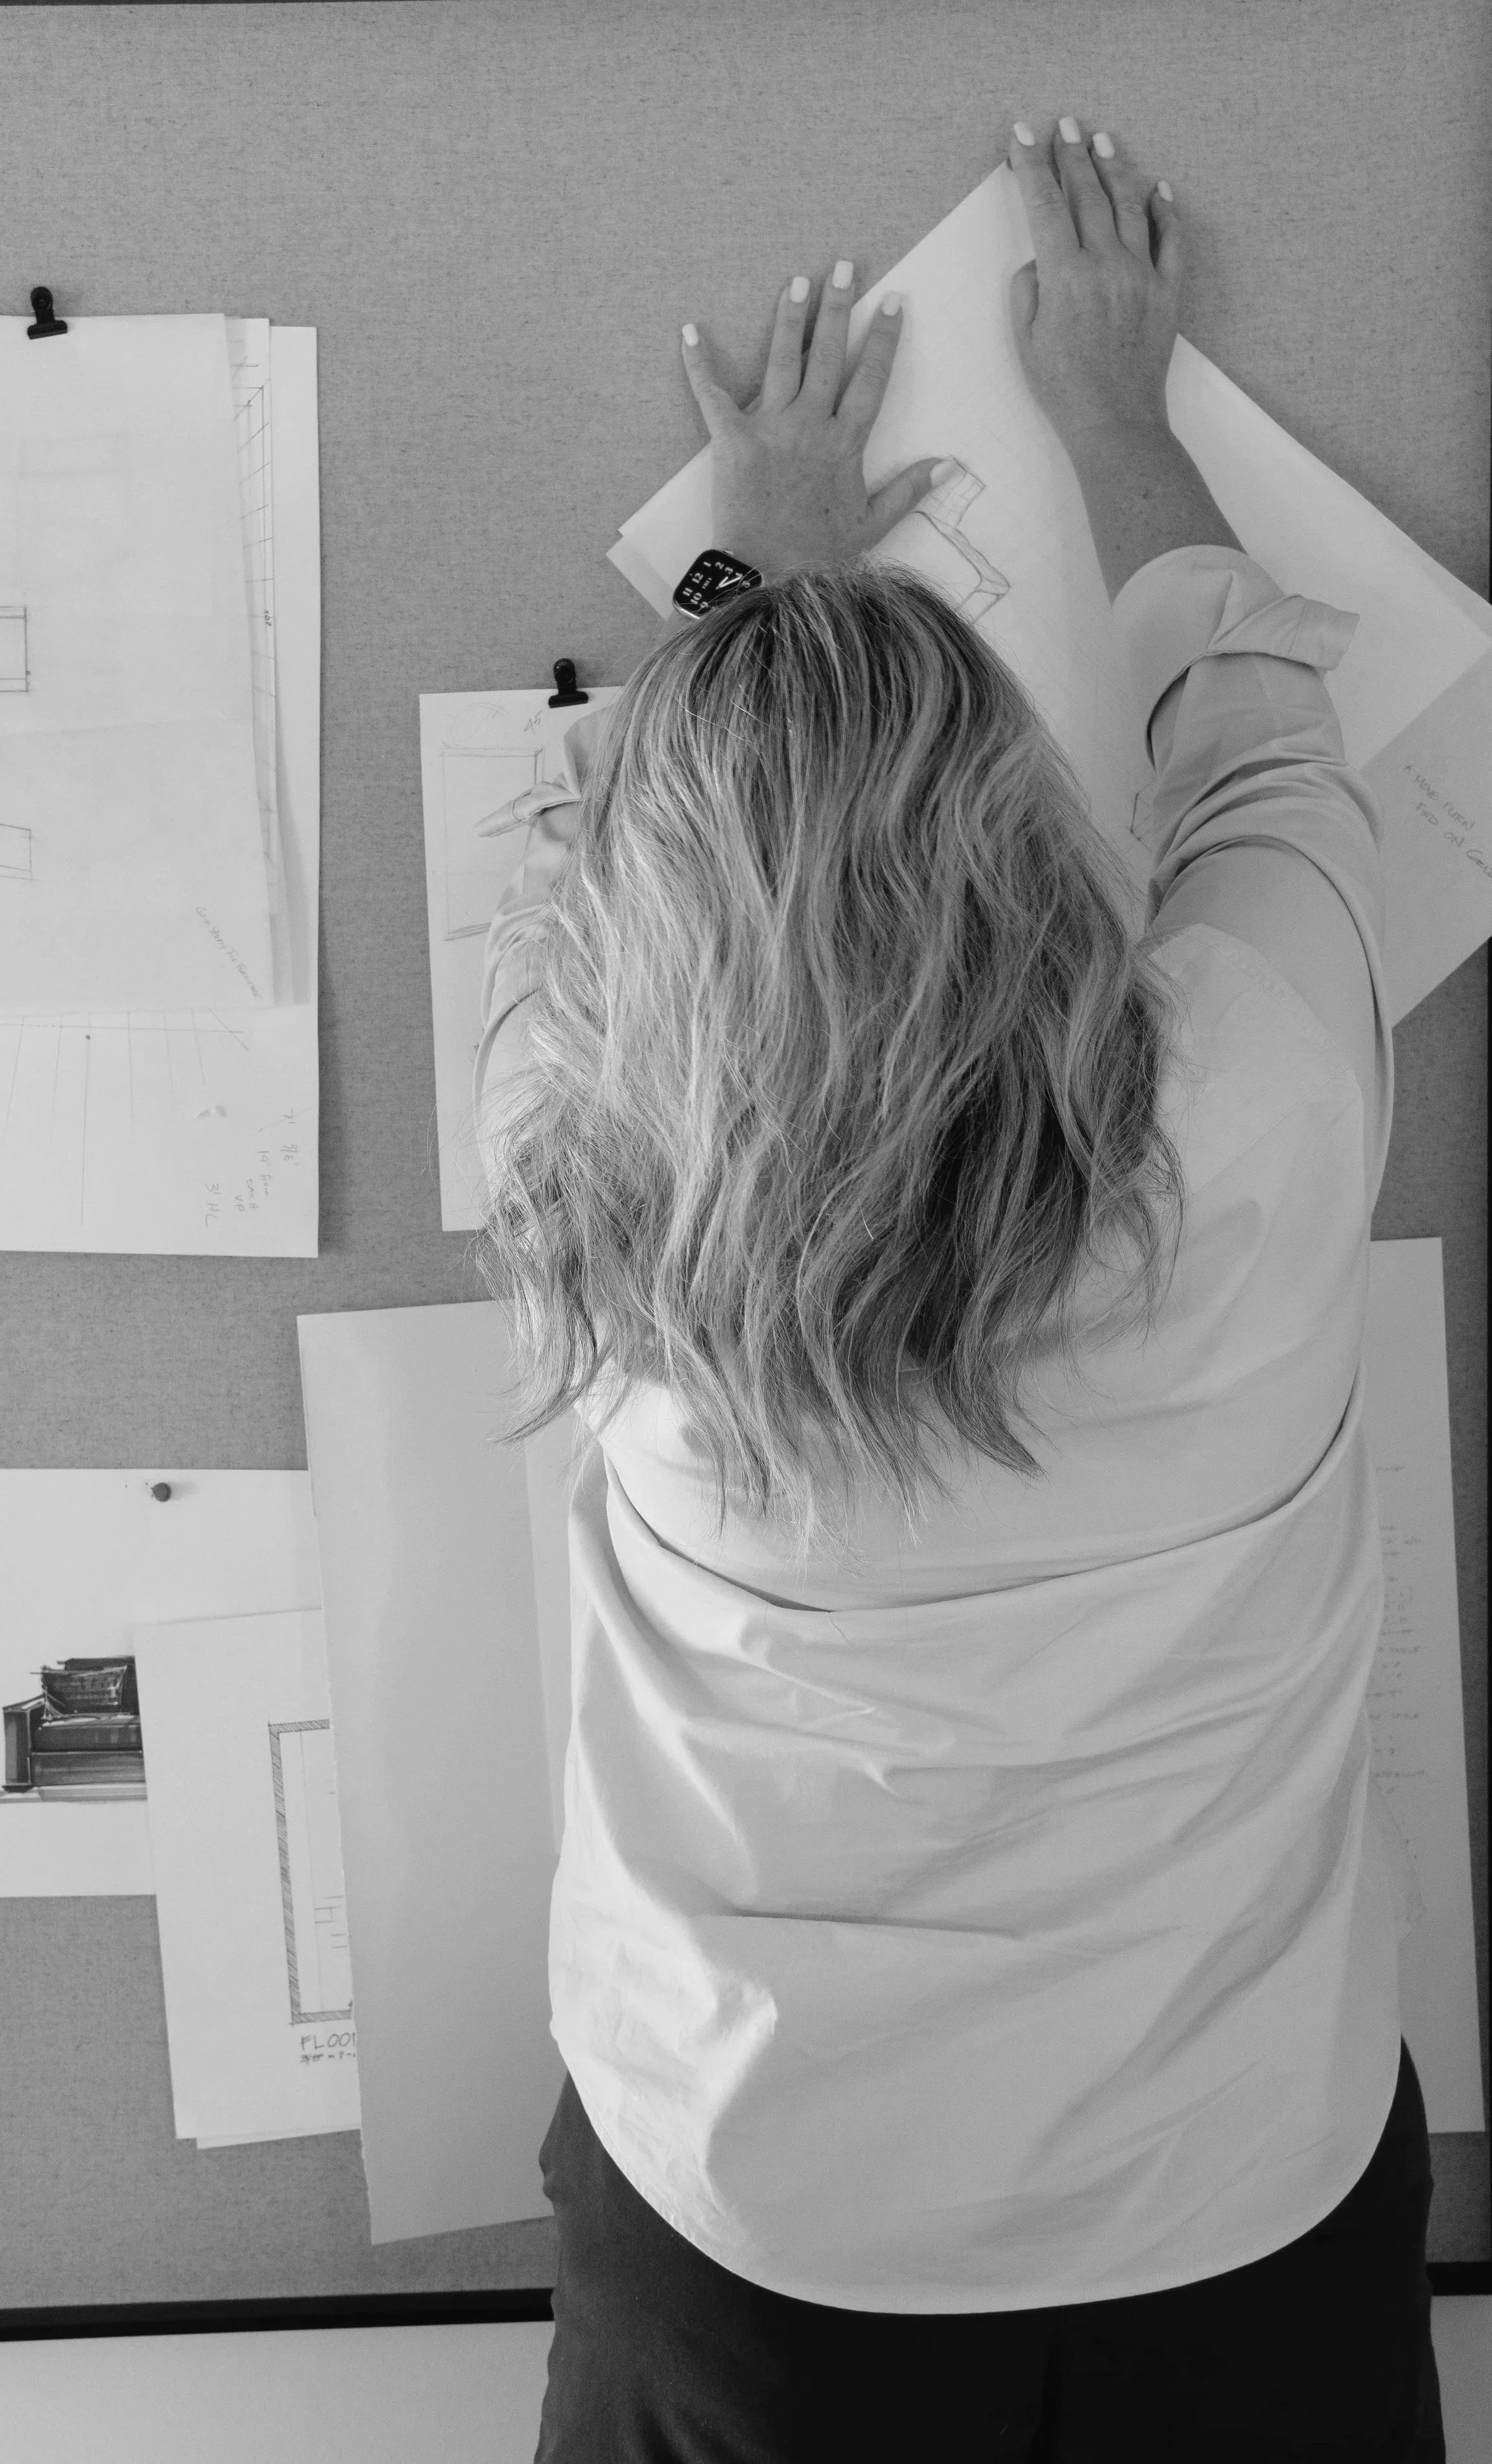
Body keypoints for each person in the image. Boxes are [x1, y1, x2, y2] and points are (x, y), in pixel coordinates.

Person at [470, 115, 1444, 2464]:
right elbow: (1254, 751)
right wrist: (1116, 411)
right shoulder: (1253, 1109)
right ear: (1030, 841)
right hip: (1230, 2175)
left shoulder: (597, 1190)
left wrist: (759, 584)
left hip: (764, 2220)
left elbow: (684, 924)